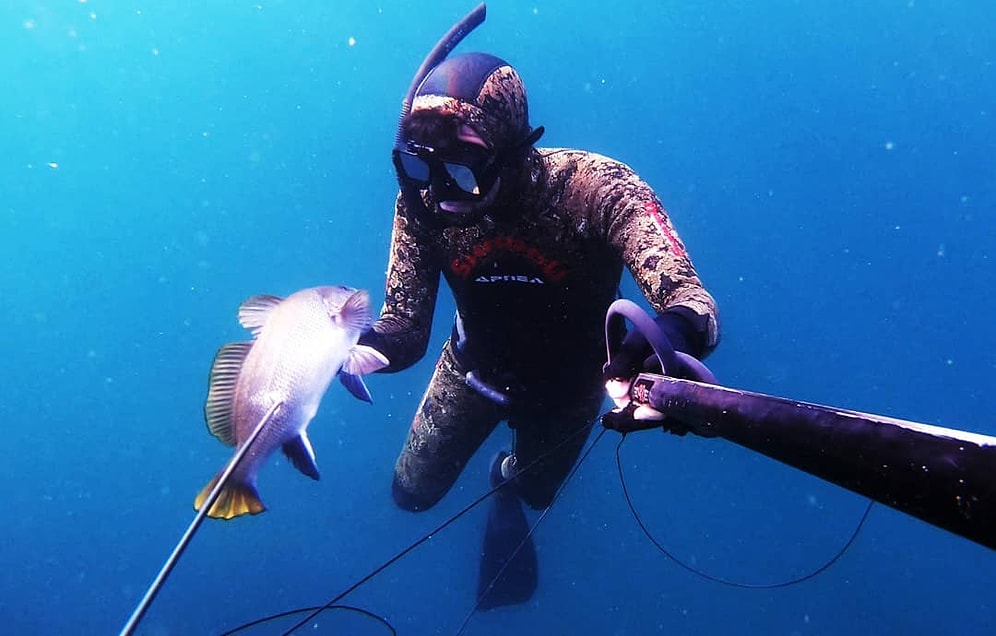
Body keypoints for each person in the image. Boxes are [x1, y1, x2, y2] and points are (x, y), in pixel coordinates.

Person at [359, 51, 720, 608]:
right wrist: (348, 348)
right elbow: (405, 329)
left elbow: (693, 304)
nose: (443, 190)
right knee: (410, 496)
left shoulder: (595, 189)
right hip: (471, 372)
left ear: (512, 149)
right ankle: (506, 473)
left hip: (571, 389)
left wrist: (665, 340)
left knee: (534, 492)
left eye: (462, 167)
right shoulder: (422, 201)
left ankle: (505, 477)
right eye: (423, 165)